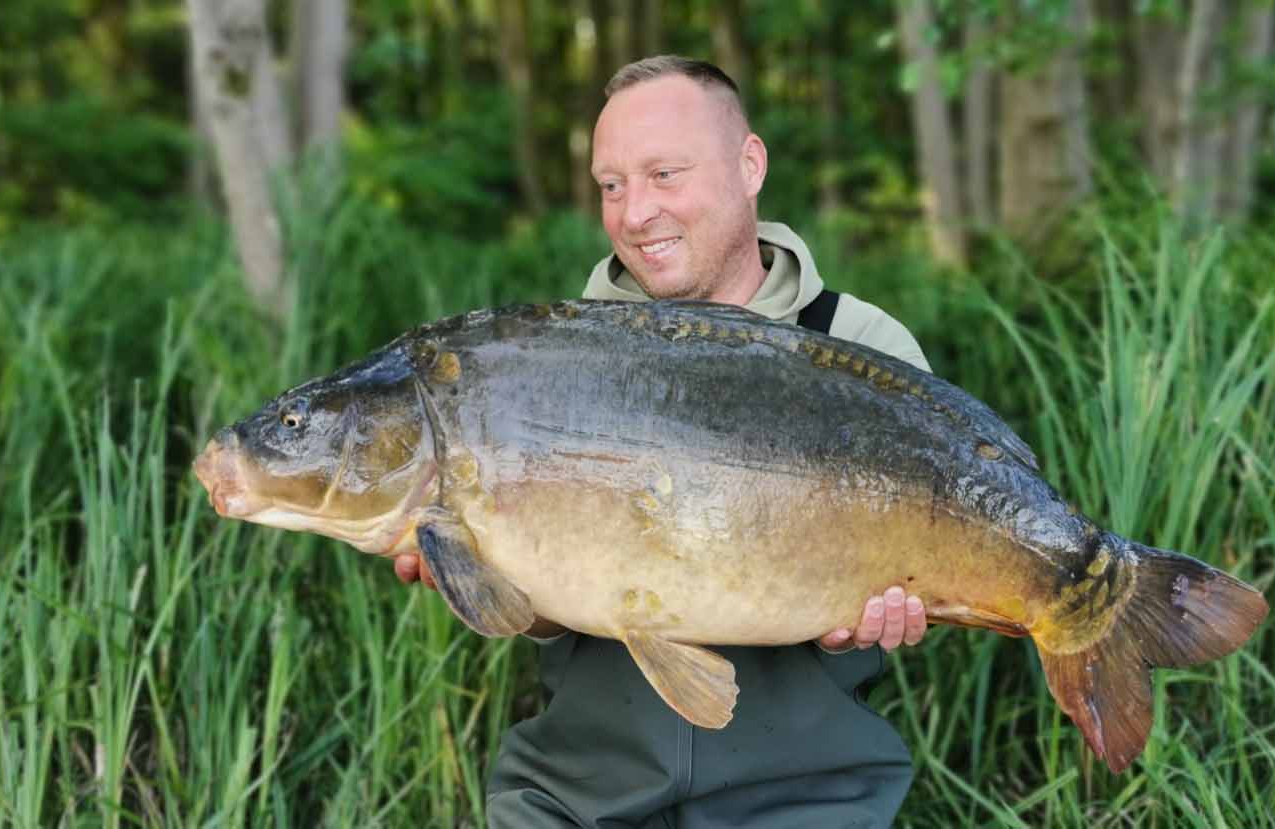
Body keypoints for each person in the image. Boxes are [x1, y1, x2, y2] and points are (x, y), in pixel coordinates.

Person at [394, 56, 933, 827]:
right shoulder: (542, 366)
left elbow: (943, 562)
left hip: (808, 799)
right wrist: (481, 570)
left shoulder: (862, 347)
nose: (634, 212)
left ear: (749, 165)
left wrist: (889, 612)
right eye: (611, 185)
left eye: (664, 175)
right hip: (578, 796)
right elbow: (544, 613)